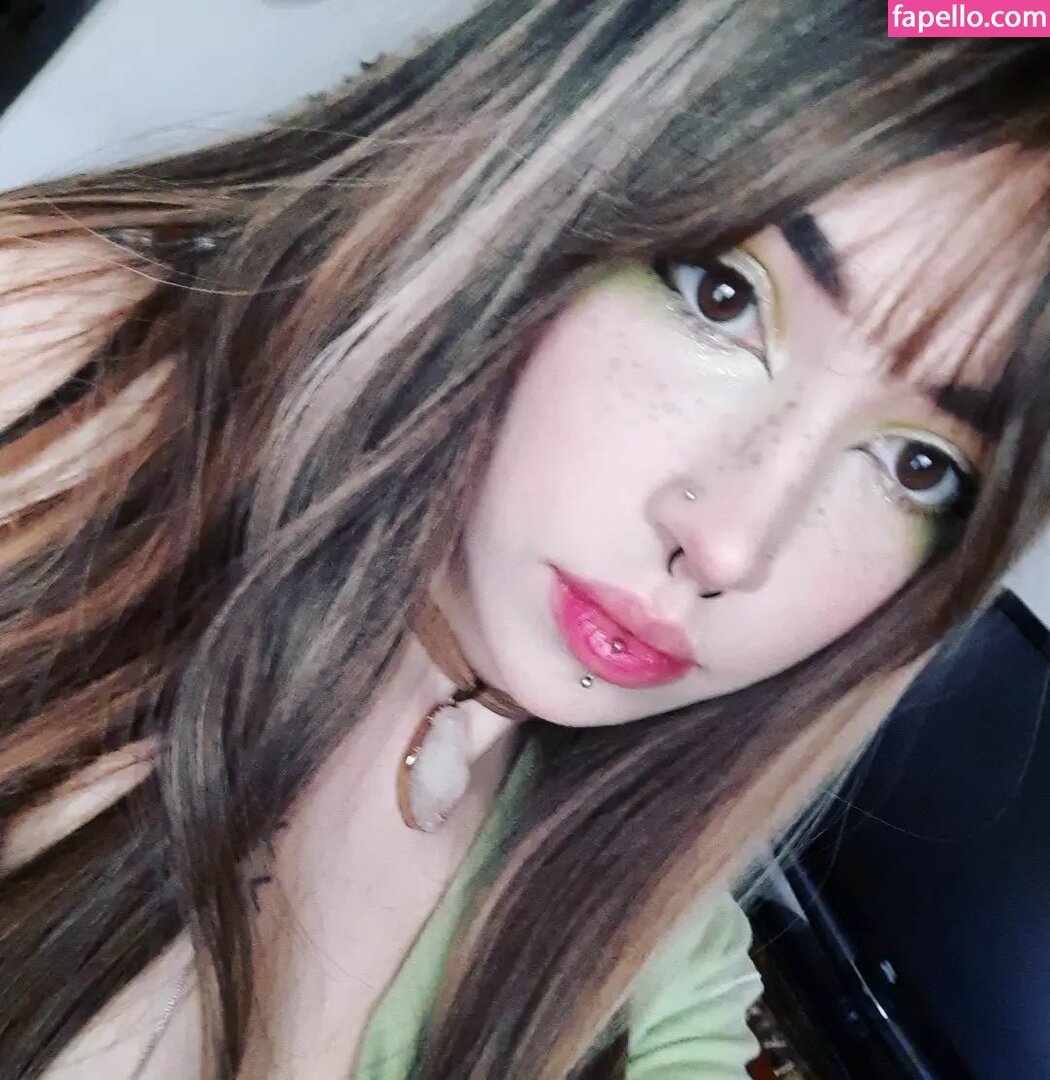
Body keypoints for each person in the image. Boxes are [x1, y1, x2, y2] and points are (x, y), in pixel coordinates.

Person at [1, 2, 1048, 1077]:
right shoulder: (59, 380)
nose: (729, 547)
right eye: (721, 294)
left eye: (919, 466)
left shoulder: (654, 944)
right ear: (547, 180)